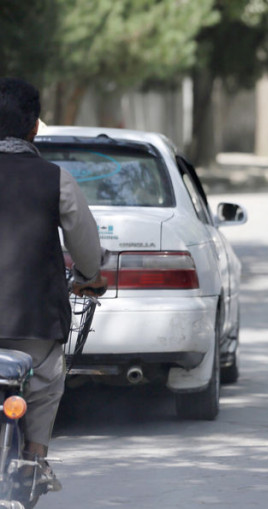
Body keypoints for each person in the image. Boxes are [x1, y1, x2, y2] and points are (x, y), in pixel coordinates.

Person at [0, 77, 107, 491]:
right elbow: (85, 245)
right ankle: (34, 459)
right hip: (35, 320)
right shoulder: (55, 179)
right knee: (46, 382)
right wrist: (89, 277)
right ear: (34, 128)